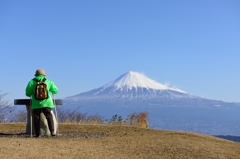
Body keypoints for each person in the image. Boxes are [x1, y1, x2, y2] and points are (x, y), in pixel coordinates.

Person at [25, 69, 58, 137]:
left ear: (36, 75)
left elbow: (28, 93)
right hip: (47, 103)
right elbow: (55, 91)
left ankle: (37, 134)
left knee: (36, 118)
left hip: (36, 103)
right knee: (49, 116)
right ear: (44, 75)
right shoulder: (48, 81)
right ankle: (52, 131)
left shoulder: (32, 82)